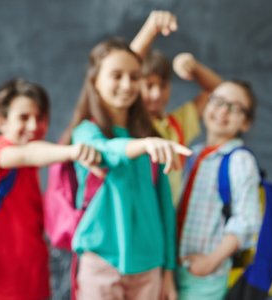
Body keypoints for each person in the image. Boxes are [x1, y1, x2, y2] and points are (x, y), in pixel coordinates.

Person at [62, 38, 191, 300]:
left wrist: (168, 269)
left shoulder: (150, 137)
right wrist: (143, 145)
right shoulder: (87, 132)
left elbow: (165, 208)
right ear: (95, 81)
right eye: (116, 76)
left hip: (150, 267)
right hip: (100, 263)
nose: (126, 85)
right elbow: (107, 151)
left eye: (134, 77)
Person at [0, 78, 102, 300]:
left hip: (34, 279)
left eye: (40, 118)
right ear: (1, 121)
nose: (33, 126)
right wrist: (73, 152)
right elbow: (27, 154)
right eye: (23, 117)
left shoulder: (29, 168)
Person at [175, 80, 262, 299]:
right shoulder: (191, 155)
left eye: (234, 107)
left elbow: (247, 220)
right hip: (173, 268)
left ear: (246, 123)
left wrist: (210, 261)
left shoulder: (240, 160)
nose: (223, 110)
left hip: (206, 275)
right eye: (218, 101)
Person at [131, 10, 223, 204]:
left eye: (162, 86)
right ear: (134, 84)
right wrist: (150, 29)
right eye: (148, 86)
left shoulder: (177, 124)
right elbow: (124, 66)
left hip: (170, 223)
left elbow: (222, 93)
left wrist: (195, 68)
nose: (156, 94)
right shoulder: (127, 121)